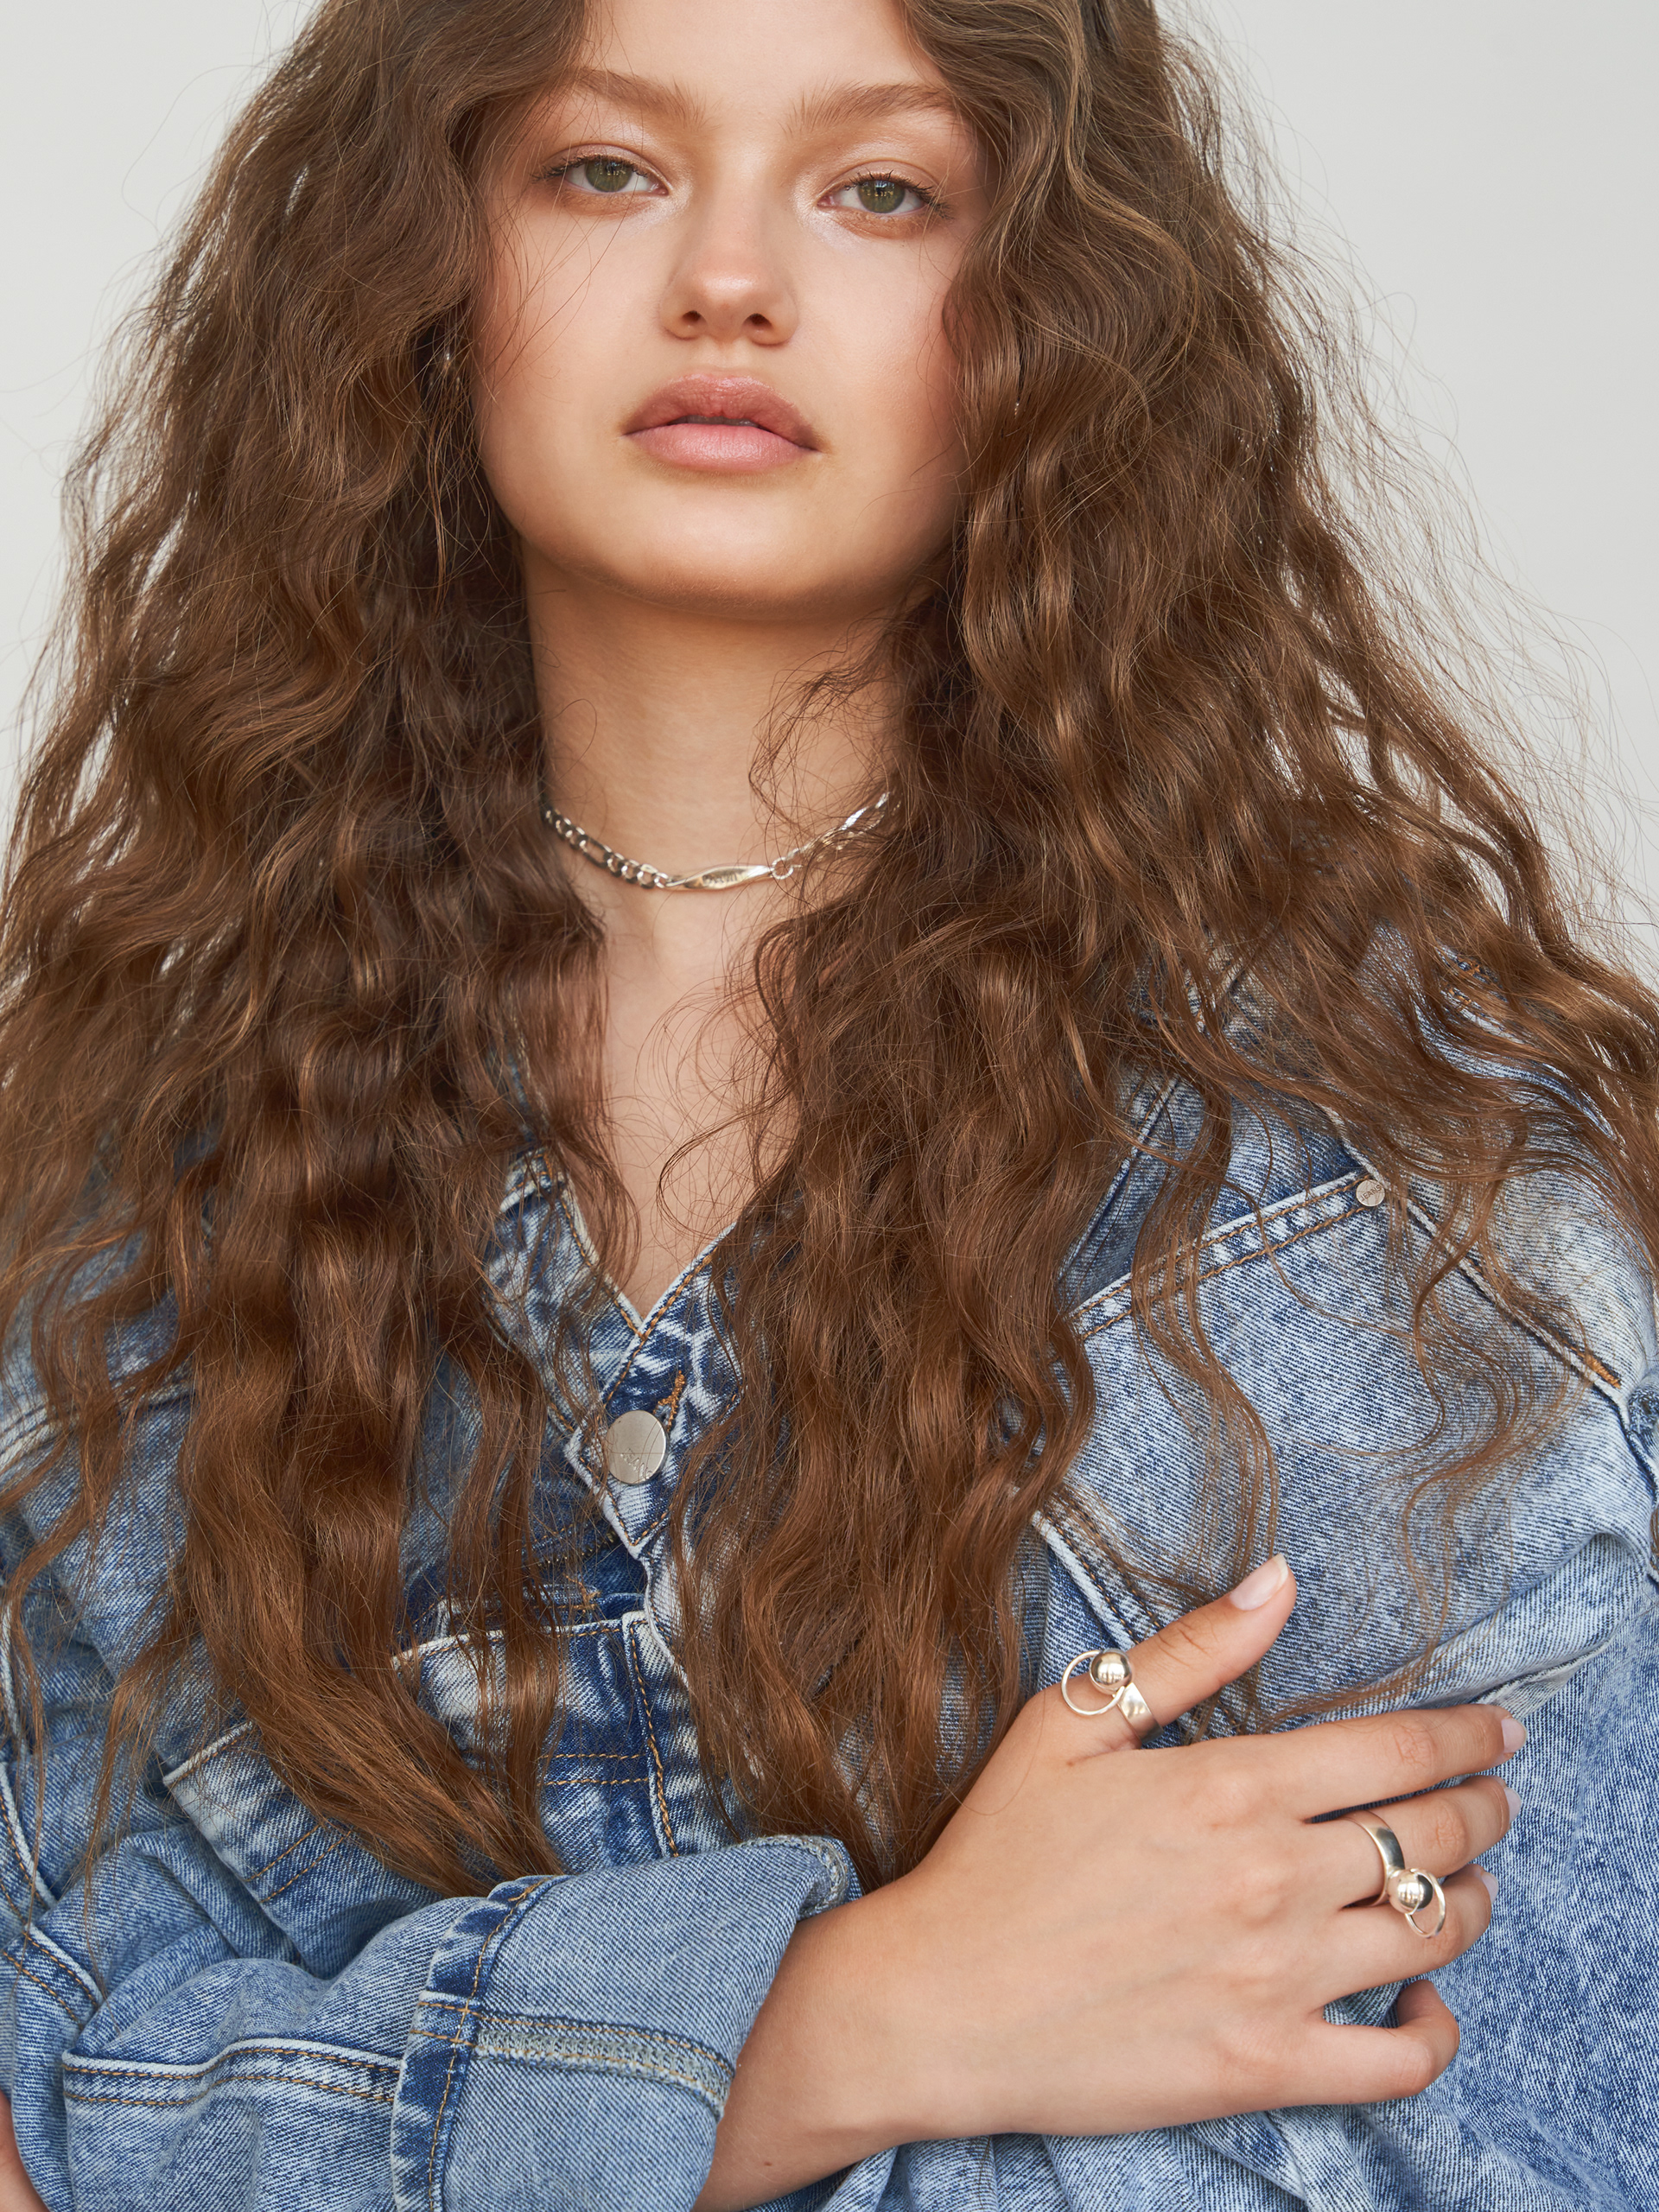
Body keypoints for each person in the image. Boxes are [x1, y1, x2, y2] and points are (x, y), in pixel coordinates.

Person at [0, 0, 1654, 2205]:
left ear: (1053, 319)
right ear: (422, 270)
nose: (729, 280)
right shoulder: (112, 1237)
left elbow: (1507, 2148)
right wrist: (847, 2021)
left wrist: (350, 2119)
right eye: (607, 169)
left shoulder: (1405, 1225)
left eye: (881, 190)